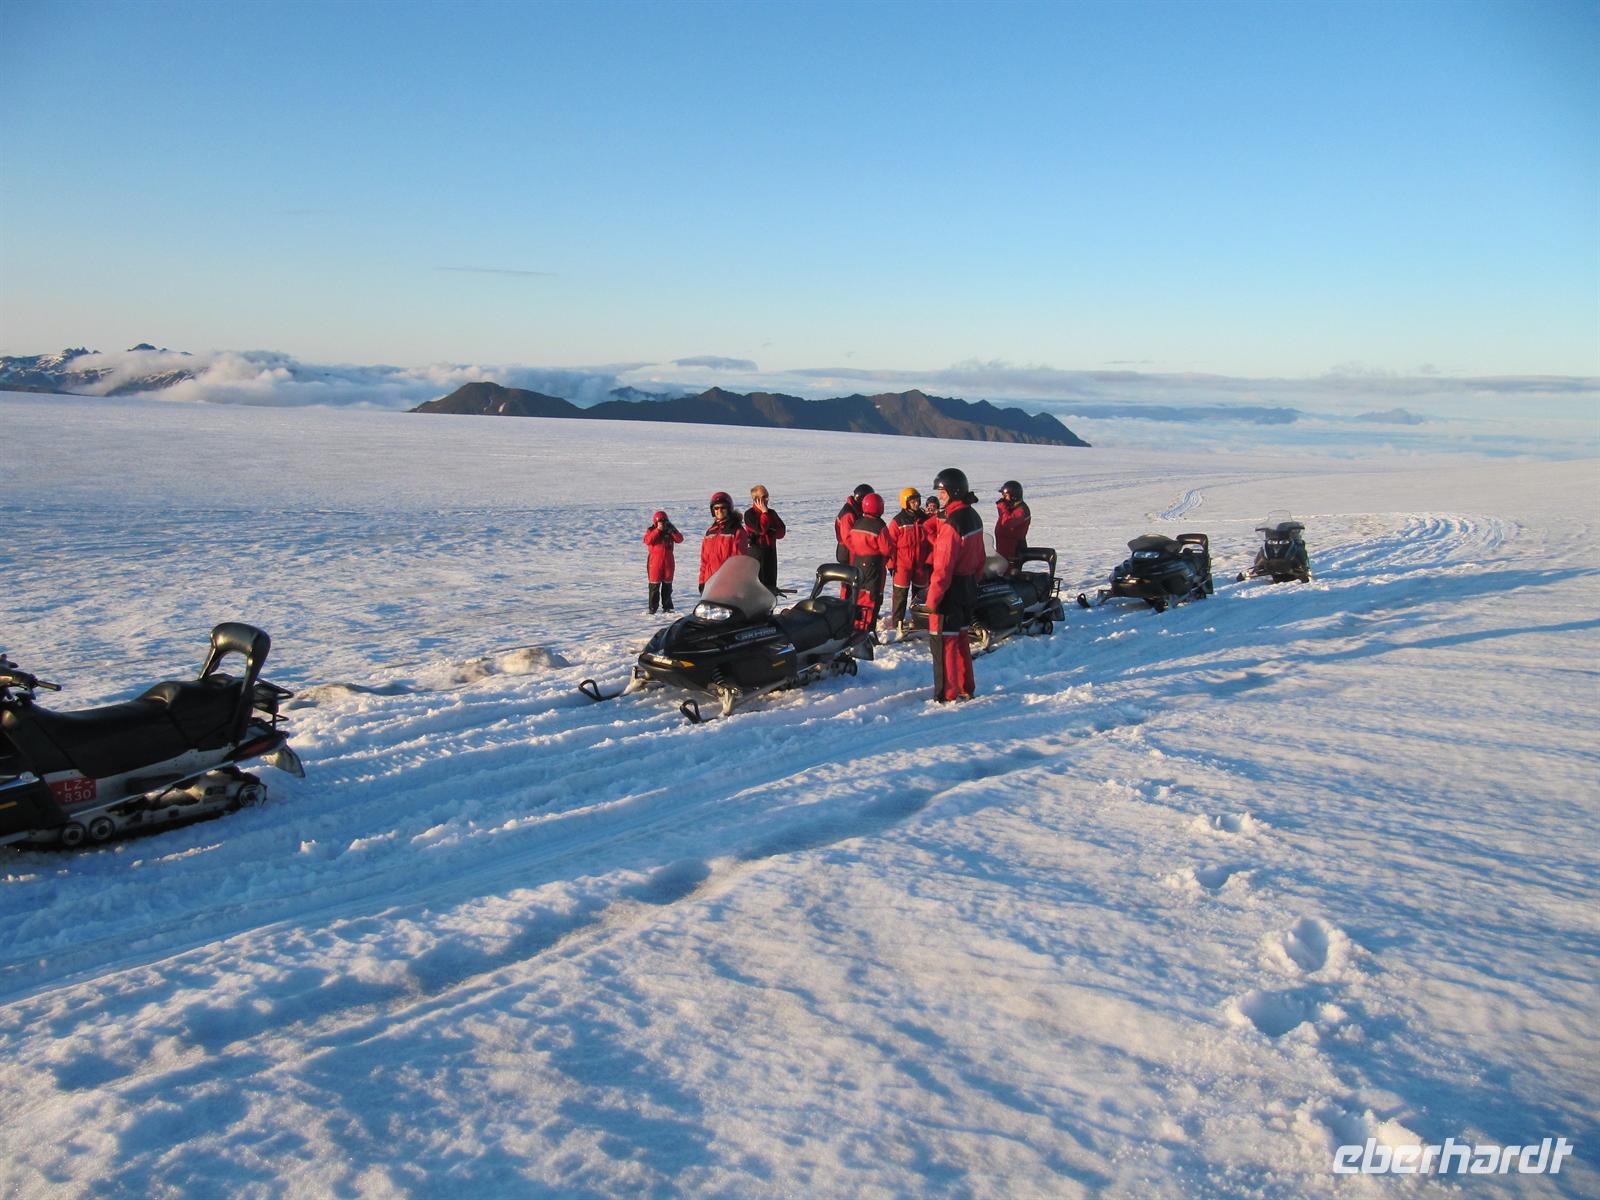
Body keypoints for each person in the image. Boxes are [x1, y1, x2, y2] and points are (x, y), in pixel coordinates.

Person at [924, 467, 985, 702]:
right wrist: (973, 581)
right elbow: (980, 557)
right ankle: (966, 686)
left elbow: (943, 568)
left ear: (954, 492)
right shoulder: (974, 516)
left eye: (942, 492)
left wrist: (932, 600)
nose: (940, 497)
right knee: (961, 640)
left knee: (945, 643)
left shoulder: (952, 524)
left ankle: (946, 693)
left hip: (951, 590)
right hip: (968, 586)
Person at [843, 491, 894, 631]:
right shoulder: (880, 526)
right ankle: (867, 630)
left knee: (858, 594)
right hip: (874, 565)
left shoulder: (858, 523)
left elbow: (850, 541)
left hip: (858, 562)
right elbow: (887, 549)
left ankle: (856, 625)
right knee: (872, 597)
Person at [886, 487, 926, 634]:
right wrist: (891, 564)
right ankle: (897, 623)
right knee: (900, 595)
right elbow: (890, 545)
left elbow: (931, 541)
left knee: (921, 595)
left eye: (918, 500)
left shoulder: (924, 519)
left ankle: (920, 621)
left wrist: (930, 561)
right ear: (906, 502)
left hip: (921, 563)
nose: (917, 503)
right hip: (903, 565)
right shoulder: (898, 521)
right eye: (913, 501)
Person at [699, 491, 750, 592]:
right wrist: (702, 582)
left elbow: (739, 561)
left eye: (723, 508)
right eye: (716, 508)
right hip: (710, 583)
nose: (719, 511)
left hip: (728, 583)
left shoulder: (737, 531)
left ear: (729, 509)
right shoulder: (710, 532)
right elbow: (704, 561)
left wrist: (735, 582)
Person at [743, 484, 787, 593]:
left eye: (767, 496)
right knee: (757, 587)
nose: (767, 499)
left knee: (770, 587)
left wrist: (771, 530)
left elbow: (781, 532)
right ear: (756, 499)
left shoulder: (772, 513)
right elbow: (761, 529)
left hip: (770, 553)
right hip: (756, 554)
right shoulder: (749, 514)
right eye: (764, 497)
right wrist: (764, 514)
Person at [642, 510, 683, 614]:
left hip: (668, 562)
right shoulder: (651, 530)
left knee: (667, 586)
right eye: (660, 522)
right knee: (654, 586)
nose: (663, 524)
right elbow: (647, 540)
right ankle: (652, 608)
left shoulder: (670, 531)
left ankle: (668, 607)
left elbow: (680, 539)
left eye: (664, 521)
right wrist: (657, 530)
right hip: (655, 562)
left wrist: (673, 530)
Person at [995, 480, 1031, 572]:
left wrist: (1002, 507)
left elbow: (1007, 522)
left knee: (1010, 575)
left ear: (1014, 496)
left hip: (1013, 551)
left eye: (1005, 495)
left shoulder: (1021, 510)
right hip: (1004, 550)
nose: (1003, 498)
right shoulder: (1011, 509)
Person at [835, 483, 875, 564]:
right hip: (848, 553)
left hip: (851, 551)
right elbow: (848, 538)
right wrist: (862, 551)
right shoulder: (849, 515)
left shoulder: (855, 510)